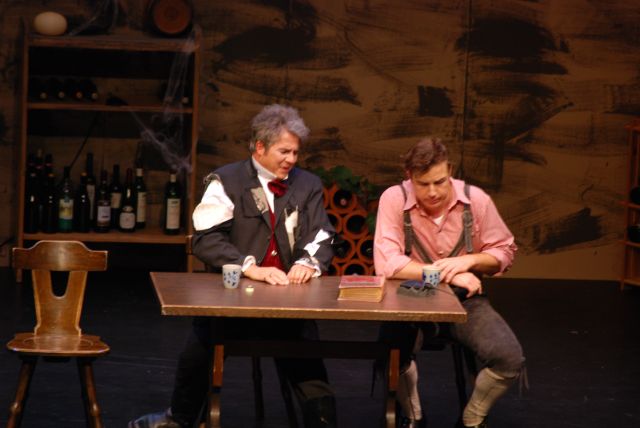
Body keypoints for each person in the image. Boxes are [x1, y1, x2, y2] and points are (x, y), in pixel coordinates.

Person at [129, 104, 337, 428]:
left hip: (287, 302)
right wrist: (248, 267)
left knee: (308, 361)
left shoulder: (307, 184)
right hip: (232, 299)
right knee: (198, 352)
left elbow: (321, 233)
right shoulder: (227, 180)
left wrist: (307, 263)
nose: (292, 160)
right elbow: (206, 238)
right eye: (284, 152)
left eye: (296, 152)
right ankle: (179, 418)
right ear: (260, 147)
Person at [373, 137, 525, 428]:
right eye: (423, 184)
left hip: (464, 299)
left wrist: (470, 261)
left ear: (450, 171)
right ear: (409, 177)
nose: (432, 192)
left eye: (440, 182)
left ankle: (472, 418)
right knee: (390, 354)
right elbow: (387, 263)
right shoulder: (394, 198)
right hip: (412, 296)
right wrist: (448, 273)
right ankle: (414, 416)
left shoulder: (475, 199)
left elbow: (504, 252)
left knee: (509, 358)